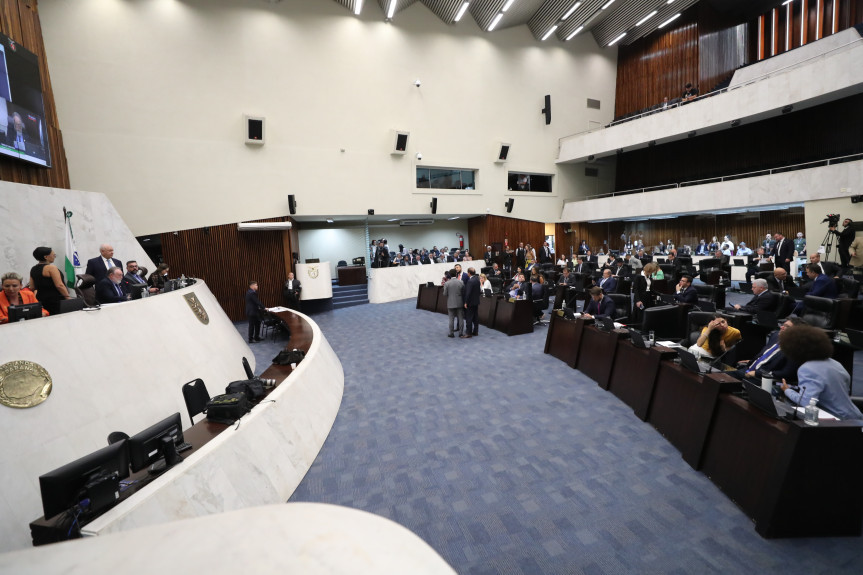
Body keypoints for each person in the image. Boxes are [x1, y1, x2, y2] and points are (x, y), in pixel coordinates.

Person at [778, 325, 863, 420]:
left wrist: (787, 390)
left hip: (839, 421)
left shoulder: (807, 369)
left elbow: (806, 402)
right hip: (856, 417)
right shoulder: (836, 364)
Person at [734, 317, 804, 381]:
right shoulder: (776, 336)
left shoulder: (795, 351)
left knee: (725, 378)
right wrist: (754, 361)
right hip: (747, 369)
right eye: (783, 325)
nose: (782, 327)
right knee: (725, 374)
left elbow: (786, 374)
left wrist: (757, 373)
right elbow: (766, 356)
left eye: (787, 327)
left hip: (761, 379)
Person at [29, 246, 71, 315]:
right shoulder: (51, 268)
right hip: (55, 300)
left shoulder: (33, 269)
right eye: (53, 255)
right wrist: (67, 297)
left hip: (41, 300)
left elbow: (32, 287)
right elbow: (59, 285)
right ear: (46, 257)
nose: (54, 256)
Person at [443, 270, 464, 338]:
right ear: (456, 274)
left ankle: (451, 333)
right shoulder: (461, 282)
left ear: (449, 274)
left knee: (451, 319)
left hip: (451, 303)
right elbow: (463, 292)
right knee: (460, 318)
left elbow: (445, 294)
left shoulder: (447, 283)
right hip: (459, 302)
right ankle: (461, 333)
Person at [463, 268, 480, 337]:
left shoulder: (470, 281)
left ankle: (468, 333)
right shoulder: (477, 279)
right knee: (475, 317)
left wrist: (466, 302)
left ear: (469, 273)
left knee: (469, 318)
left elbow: (468, 293)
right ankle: (475, 331)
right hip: (476, 301)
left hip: (470, 302)